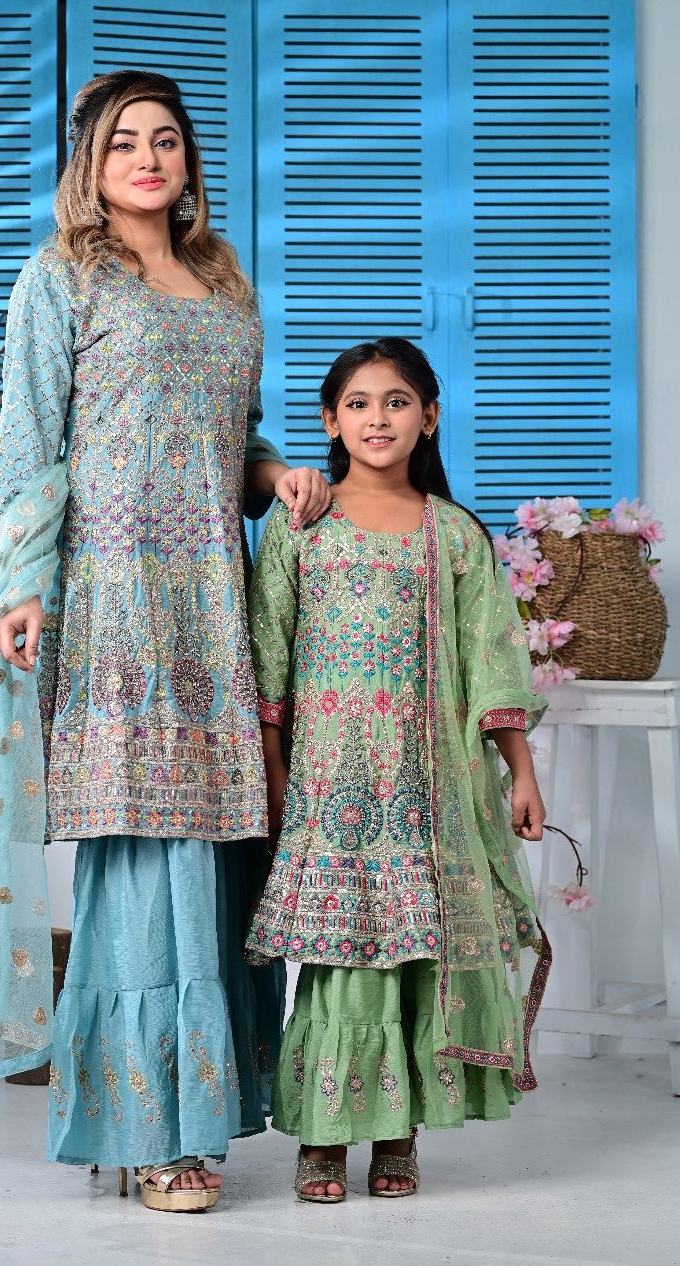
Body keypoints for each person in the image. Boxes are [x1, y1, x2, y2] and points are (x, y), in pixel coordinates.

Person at [0, 69, 330, 1214]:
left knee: (217, 851)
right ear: (89, 165)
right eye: (123, 142)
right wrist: (22, 585)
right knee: (145, 852)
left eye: (166, 140)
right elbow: (28, 443)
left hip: (213, 603)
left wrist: (276, 475)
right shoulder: (61, 276)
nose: (147, 158)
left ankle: (200, 1111)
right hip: (114, 598)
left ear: (189, 160)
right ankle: (146, 1130)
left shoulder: (222, 280)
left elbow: (231, 438)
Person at [244, 337, 552, 1202]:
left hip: (429, 788)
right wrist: (275, 778)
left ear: (430, 417)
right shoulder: (300, 525)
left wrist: (521, 774)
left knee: (417, 954)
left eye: (396, 402)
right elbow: (267, 662)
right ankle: (320, 1138)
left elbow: (492, 662)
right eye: (358, 403)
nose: (376, 419)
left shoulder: (452, 534)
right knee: (343, 958)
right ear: (328, 420)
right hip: (331, 786)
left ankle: (394, 1134)